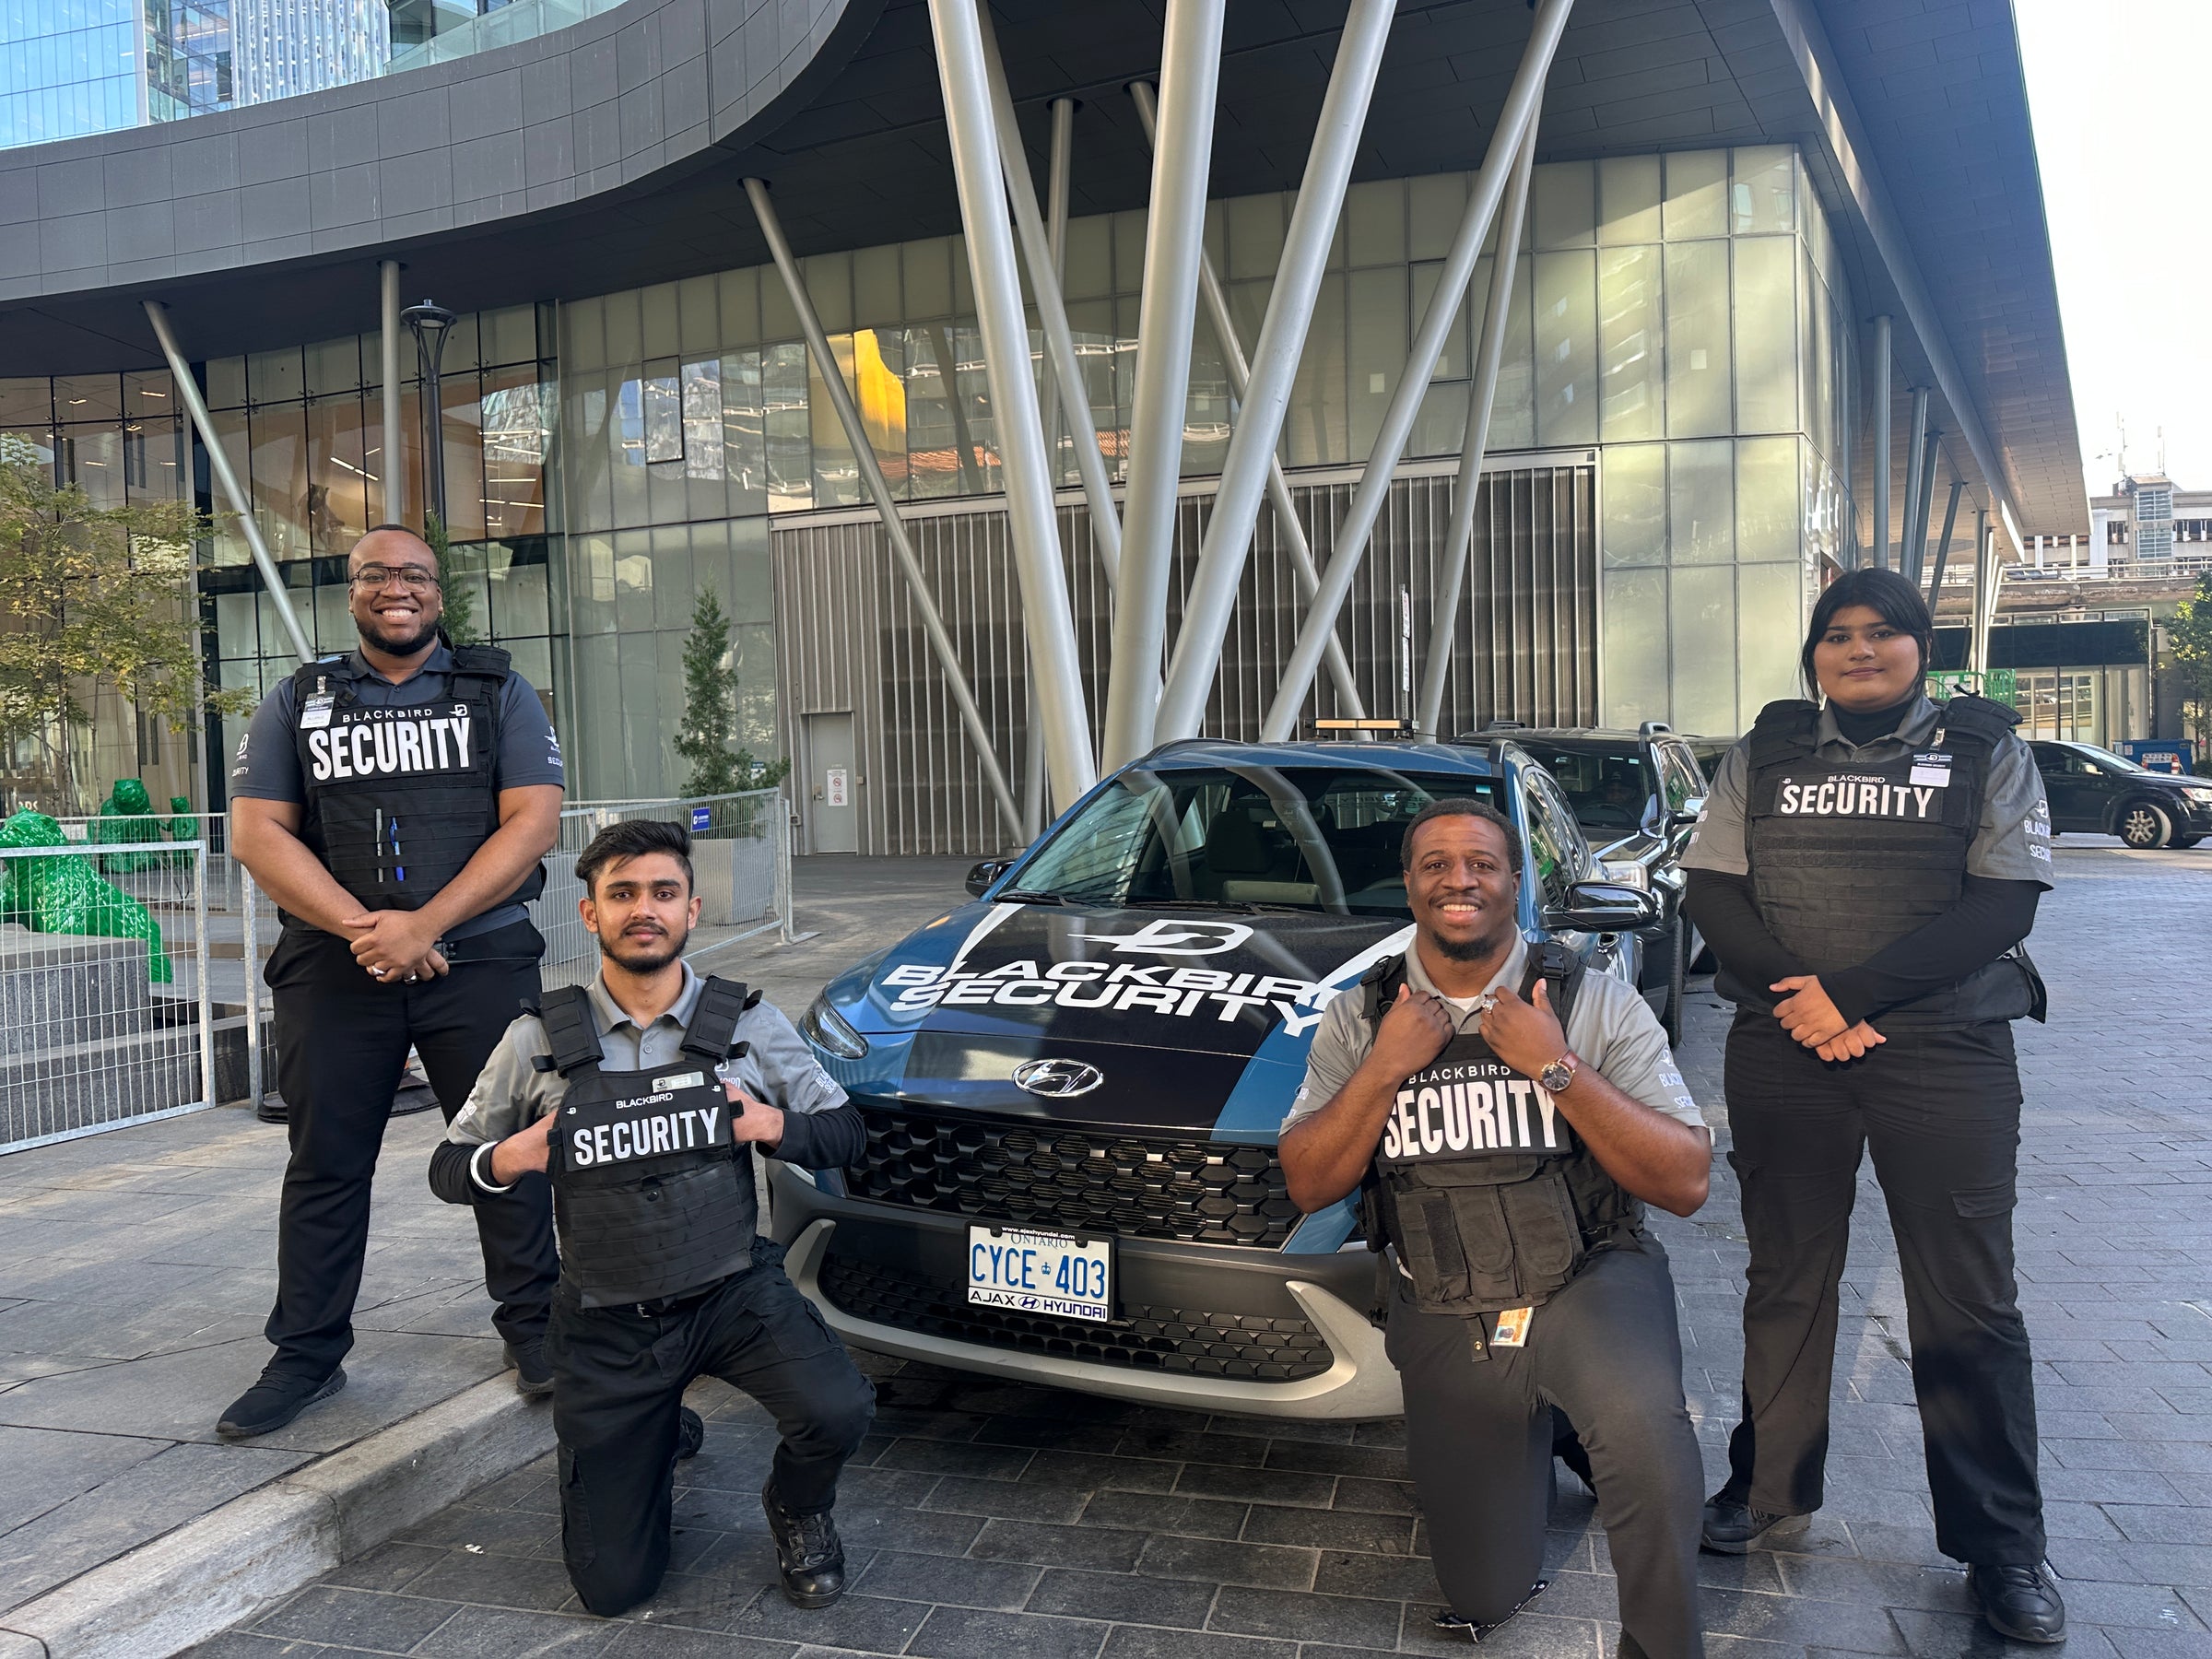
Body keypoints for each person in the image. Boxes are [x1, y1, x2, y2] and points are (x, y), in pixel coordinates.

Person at [1682, 566, 2061, 1643]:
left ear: (1918, 647)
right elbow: (1714, 889)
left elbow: (2003, 902)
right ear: (1813, 652)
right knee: (1786, 1280)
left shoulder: (1988, 748)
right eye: (1836, 634)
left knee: (1968, 1301)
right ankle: (1767, 1489)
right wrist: (1811, 1009)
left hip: (1945, 1051)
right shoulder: (1763, 752)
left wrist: (1849, 995)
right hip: (1787, 1051)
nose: (1858, 650)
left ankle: (2003, 1550)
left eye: (1881, 633)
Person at [1279, 798, 1713, 1658]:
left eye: (1481, 861)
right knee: (1484, 1589)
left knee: (1646, 1439)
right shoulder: (1364, 1014)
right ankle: (1542, 1424)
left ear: (1515, 880)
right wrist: (1386, 1064)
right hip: (1444, 1298)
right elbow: (1309, 1183)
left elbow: (1687, 1181)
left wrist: (1555, 1065)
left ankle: (1664, 1643)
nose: (1459, 879)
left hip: (1583, 1280)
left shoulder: (1590, 998)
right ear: (1409, 884)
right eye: (1435, 863)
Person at [430, 818, 875, 1616]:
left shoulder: (746, 1024)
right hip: (607, 1318)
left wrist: (769, 1125)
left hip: (730, 1293)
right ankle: (655, 1432)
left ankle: (799, 1508)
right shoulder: (536, 1037)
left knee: (839, 1407)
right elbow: (447, 1169)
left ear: (692, 910)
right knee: (613, 1589)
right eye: (622, 893)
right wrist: (511, 1157)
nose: (646, 909)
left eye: (663, 893)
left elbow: (847, 1132)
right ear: (590, 913)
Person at [222, 524, 565, 1439]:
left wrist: (426, 924)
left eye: (413, 574)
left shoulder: (497, 691)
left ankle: (538, 1330)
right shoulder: (299, 699)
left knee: (510, 1152)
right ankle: (306, 1354)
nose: (395, 589)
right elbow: (257, 834)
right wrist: (369, 930)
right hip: (334, 970)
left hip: (480, 960)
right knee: (327, 1166)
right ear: (354, 592)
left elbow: (533, 822)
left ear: (438, 593)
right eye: (375, 575)